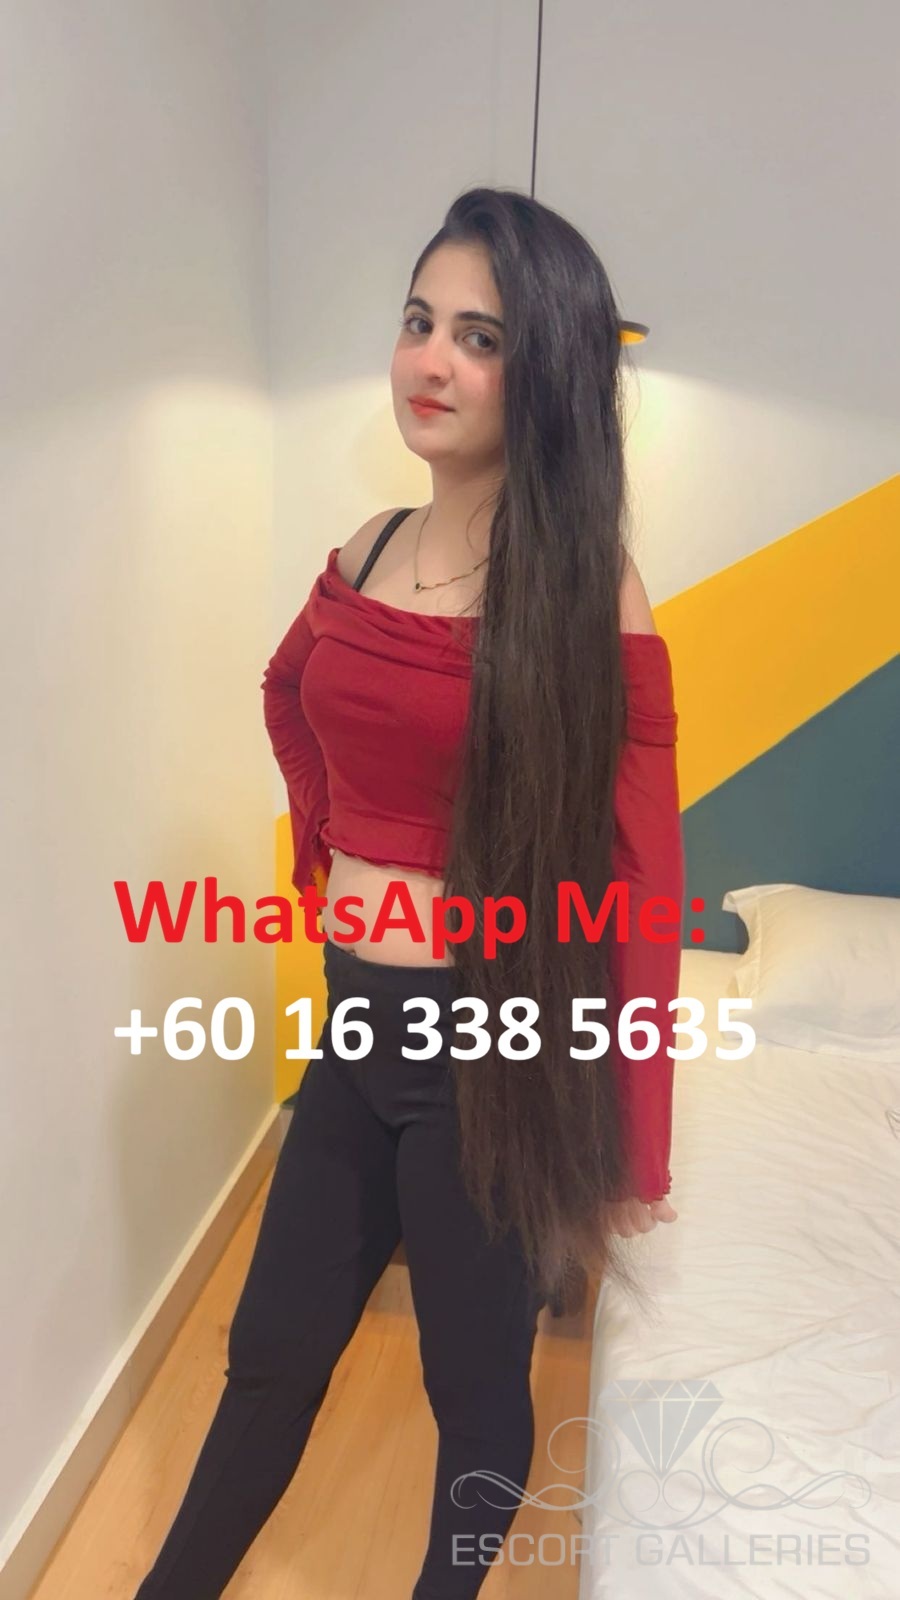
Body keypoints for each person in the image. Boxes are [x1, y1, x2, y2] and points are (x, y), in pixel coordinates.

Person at [134, 186, 684, 1599]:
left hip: (485, 1058)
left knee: (475, 1395)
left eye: (479, 339)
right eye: (418, 322)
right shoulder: (371, 547)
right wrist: (335, 851)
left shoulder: (586, 593)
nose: (430, 362)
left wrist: (637, 1141)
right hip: (354, 1031)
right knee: (270, 1357)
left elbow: (641, 872)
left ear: (545, 372)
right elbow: (290, 688)